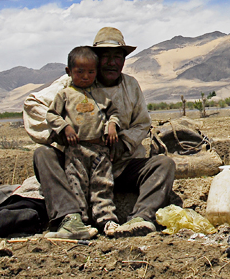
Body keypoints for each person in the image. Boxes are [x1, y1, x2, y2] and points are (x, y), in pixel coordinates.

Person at [24, 27, 176, 239]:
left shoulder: (130, 86)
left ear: (124, 60)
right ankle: (70, 219)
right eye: (106, 56)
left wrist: (122, 144)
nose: (112, 63)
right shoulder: (76, 80)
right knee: (43, 154)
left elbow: (142, 124)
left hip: (118, 165)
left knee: (163, 164)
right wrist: (63, 131)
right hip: (75, 163)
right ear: (95, 58)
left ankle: (141, 219)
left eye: (117, 57)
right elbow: (33, 105)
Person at [46, 46, 123, 238]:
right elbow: (51, 115)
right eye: (80, 72)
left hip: (100, 150)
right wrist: (65, 127)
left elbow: (113, 113)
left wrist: (112, 125)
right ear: (69, 71)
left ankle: (107, 220)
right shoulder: (65, 95)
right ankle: (80, 223)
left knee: (103, 184)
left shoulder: (101, 95)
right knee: (76, 185)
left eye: (91, 72)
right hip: (76, 150)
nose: (86, 77)